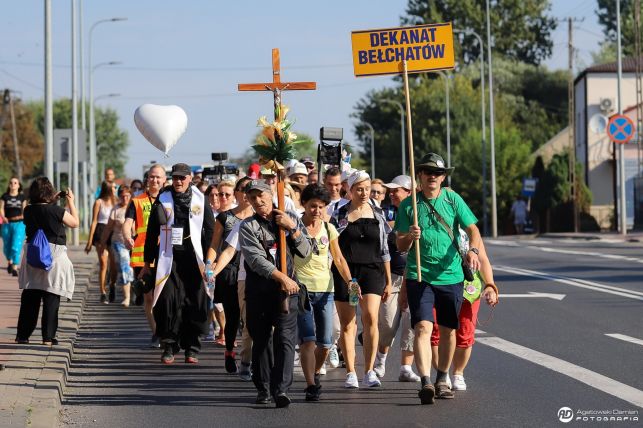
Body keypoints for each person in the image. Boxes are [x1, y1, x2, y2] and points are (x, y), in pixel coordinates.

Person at [395, 153, 482, 404]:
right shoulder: (409, 205)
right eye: (427, 172)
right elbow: (400, 245)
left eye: (437, 173)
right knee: (422, 327)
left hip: (451, 275)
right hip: (419, 275)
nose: (432, 176)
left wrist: (473, 251)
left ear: (443, 178)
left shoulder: (453, 199)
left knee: (448, 331)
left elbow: (473, 230)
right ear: (420, 176)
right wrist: (410, 236)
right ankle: (425, 382)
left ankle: (442, 377)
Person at [238, 180, 311, 408]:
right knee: (261, 340)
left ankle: (281, 389)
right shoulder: (247, 226)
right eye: (253, 198)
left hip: (287, 294)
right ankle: (264, 388)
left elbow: (306, 253)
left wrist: (293, 228)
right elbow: (256, 260)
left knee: (285, 340)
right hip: (260, 291)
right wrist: (282, 278)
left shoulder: (289, 218)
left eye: (262, 196)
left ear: (271, 195)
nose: (258, 201)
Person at [142, 163, 214, 365]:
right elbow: (151, 233)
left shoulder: (201, 200)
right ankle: (169, 345)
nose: (179, 181)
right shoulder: (162, 200)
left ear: (190, 179)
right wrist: (148, 264)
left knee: (195, 301)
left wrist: (210, 261)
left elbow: (210, 233)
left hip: (194, 258)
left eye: (183, 178)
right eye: (176, 178)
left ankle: (192, 347)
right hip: (168, 258)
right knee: (167, 301)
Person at [330, 170, 392, 389]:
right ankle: (350, 372)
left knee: (371, 318)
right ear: (349, 190)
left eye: (367, 189)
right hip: (346, 272)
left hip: (372, 270)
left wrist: (387, 278)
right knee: (348, 324)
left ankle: (369, 371)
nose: (365, 193)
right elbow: (332, 246)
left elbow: (384, 248)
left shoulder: (378, 213)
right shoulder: (339, 214)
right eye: (359, 189)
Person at [295, 184, 354, 401]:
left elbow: (338, 258)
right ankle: (311, 384)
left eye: (321, 207)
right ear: (304, 205)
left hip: (325, 290)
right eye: (312, 206)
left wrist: (350, 281)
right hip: (301, 290)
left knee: (326, 342)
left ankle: (315, 371)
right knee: (308, 340)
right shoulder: (294, 227)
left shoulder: (328, 229)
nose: (317, 211)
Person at [15, 178, 78, 345]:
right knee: (51, 297)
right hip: (54, 256)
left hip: (33, 255)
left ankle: (23, 335)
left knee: (30, 296)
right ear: (50, 192)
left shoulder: (28, 210)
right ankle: (47, 338)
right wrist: (70, 202)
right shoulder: (56, 211)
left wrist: (52, 199)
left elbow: (41, 210)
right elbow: (75, 223)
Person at [430, 238, 499, 391]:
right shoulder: (431, 224)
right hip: (439, 283)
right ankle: (443, 373)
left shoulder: (470, 231)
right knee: (436, 332)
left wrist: (490, 285)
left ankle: (458, 373)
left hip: (469, 288)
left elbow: (483, 259)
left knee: (465, 333)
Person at [373, 175, 420, 382]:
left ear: (409, 192)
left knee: (411, 323)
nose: (391, 194)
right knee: (388, 322)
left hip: (413, 275)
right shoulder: (385, 212)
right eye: (390, 191)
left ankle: (405, 368)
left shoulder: (420, 213)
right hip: (391, 277)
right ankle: (380, 362)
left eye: (396, 190)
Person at [205, 176, 253, 372]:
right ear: (238, 194)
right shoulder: (225, 218)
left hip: (253, 270)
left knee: (250, 317)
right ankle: (230, 351)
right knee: (233, 316)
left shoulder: (262, 216)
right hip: (230, 270)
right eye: (244, 189)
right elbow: (215, 245)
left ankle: (250, 355)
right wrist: (209, 264)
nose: (248, 194)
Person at [122, 164, 167, 347]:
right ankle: (156, 332)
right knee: (149, 297)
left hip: (165, 254)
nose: (154, 180)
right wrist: (126, 236)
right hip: (142, 255)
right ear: (147, 179)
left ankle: (167, 329)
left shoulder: (169, 200)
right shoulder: (137, 201)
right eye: (151, 177)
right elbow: (127, 223)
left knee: (164, 296)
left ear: (164, 180)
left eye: (158, 177)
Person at [100, 185, 134, 307]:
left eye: (127, 196)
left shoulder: (134, 207)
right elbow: (108, 228)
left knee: (132, 268)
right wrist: (103, 244)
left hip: (135, 243)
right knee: (125, 267)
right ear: (119, 196)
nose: (125, 198)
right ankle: (127, 297)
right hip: (119, 243)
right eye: (122, 196)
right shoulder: (116, 209)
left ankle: (132, 292)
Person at [85, 181, 116, 304]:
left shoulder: (117, 201)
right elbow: (94, 222)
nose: (115, 189)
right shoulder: (98, 202)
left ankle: (112, 285)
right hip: (101, 232)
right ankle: (102, 292)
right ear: (108, 189)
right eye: (113, 187)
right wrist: (89, 241)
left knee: (114, 265)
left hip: (113, 232)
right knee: (103, 263)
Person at [1, 177, 26, 276]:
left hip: (19, 224)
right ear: (9, 185)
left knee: (16, 245)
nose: (13, 184)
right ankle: (9, 261)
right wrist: (3, 217)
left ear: (18, 185)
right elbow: (1, 208)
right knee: (7, 246)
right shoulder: (5, 196)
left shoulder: (22, 197)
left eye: (15, 183)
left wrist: (23, 216)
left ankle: (15, 266)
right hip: (7, 223)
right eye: (11, 182)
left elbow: (25, 209)